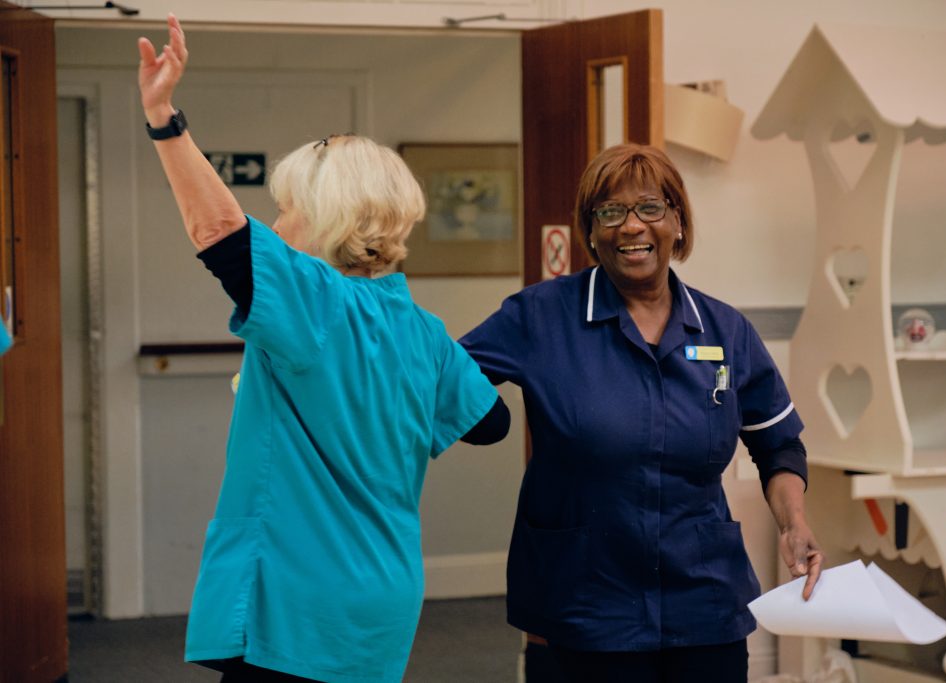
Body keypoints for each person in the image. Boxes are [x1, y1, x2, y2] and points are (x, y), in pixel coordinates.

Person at [138, 15, 509, 683]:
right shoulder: (423, 330)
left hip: (296, 603)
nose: (276, 224)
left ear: (331, 215)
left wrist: (164, 118)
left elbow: (218, 227)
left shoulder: (312, 301)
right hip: (382, 600)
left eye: (287, 208)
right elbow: (491, 425)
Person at [460, 143, 824, 682]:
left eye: (650, 208)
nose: (631, 226)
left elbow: (777, 443)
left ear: (677, 221)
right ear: (591, 230)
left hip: (703, 606)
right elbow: (443, 379)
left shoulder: (725, 331)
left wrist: (795, 523)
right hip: (583, 607)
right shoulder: (539, 317)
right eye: (610, 212)